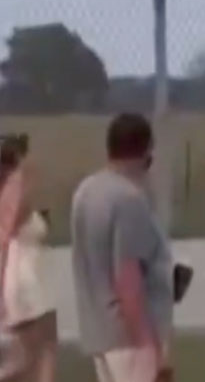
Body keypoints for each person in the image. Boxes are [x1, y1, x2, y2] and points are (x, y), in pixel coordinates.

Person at [71, 114, 174, 382]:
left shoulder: (86, 190)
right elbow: (128, 277)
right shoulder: (129, 199)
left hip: (98, 330)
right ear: (147, 149)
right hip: (128, 335)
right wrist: (147, 343)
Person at [0, 134, 57, 382]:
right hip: (24, 273)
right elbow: (3, 243)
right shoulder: (16, 185)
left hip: (19, 272)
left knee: (31, 354)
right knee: (40, 352)